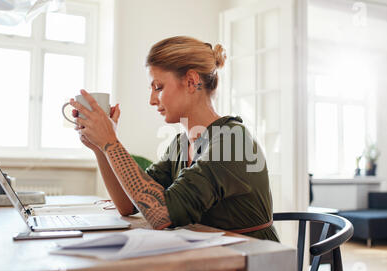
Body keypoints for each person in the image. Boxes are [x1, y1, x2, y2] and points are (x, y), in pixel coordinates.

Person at [70, 36, 279, 242]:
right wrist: (100, 147)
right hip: (210, 258)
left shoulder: (233, 141)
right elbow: (128, 205)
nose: (152, 100)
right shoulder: (180, 144)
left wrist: (110, 142)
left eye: (158, 87)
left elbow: (161, 215)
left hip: (253, 262)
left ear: (191, 82)